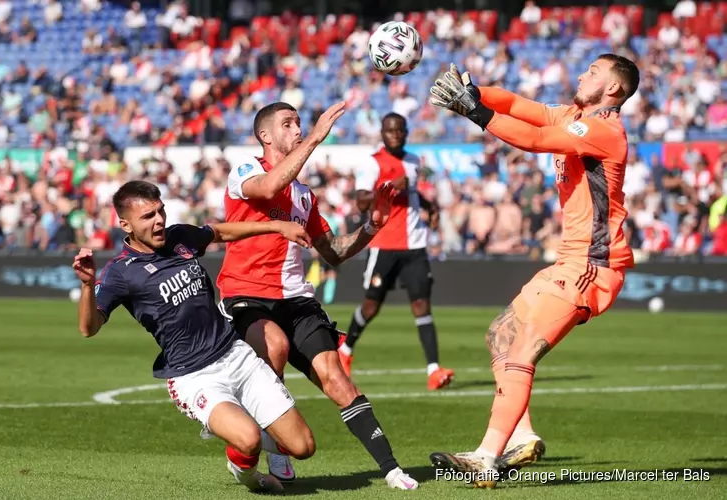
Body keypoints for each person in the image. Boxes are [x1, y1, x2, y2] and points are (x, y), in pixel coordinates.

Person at [427, 54, 639, 488]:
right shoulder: (573, 115)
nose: (581, 73)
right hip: (568, 261)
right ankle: (522, 439)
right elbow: (520, 105)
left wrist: (475, 112)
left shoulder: (605, 131)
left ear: (613, 89)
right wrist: (476, 91)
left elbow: (536, 139)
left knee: (522, 352)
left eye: (593, 72)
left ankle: (486, 456)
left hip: (591, 267)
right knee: (500, 335)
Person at [216, 101, 419, 490]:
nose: (296, 129)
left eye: (299, 123)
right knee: (272, 345)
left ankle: (392, 469)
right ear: (265, 135)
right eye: (287, 124)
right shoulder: (245, 170)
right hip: (246, 294)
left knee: (337, 379)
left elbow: (335, 251)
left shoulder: (305, 197)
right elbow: (270, 185)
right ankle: (273, 443)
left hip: (296, 299)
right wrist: (315, 138)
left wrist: (373, 225)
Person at [72, 180, 318, 494]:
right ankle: (245, 472)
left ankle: (238, 426)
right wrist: (86, 286)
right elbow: (88, 328)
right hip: (193, 376)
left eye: (160, 211)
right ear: (126, 225)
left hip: (234, 354)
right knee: (249, 439)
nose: (159, 220)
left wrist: (276, 226)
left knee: (303, 447)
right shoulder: (120, 273)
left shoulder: (179, 237)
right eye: (148, 216)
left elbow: (221, 232)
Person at [338, 113, 454, 391]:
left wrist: (429, 207)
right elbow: (362, 202)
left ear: (406, 132)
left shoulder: (414, 161)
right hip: (384, 245)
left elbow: (412, 193)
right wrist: (390, 186)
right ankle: (345, 351)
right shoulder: (371, 163)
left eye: (400, 130)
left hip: (414, 245)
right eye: (390, 130)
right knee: (371, 306)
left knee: (421, 305)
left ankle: (434, 371)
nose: (395, 134)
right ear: (381, 132)